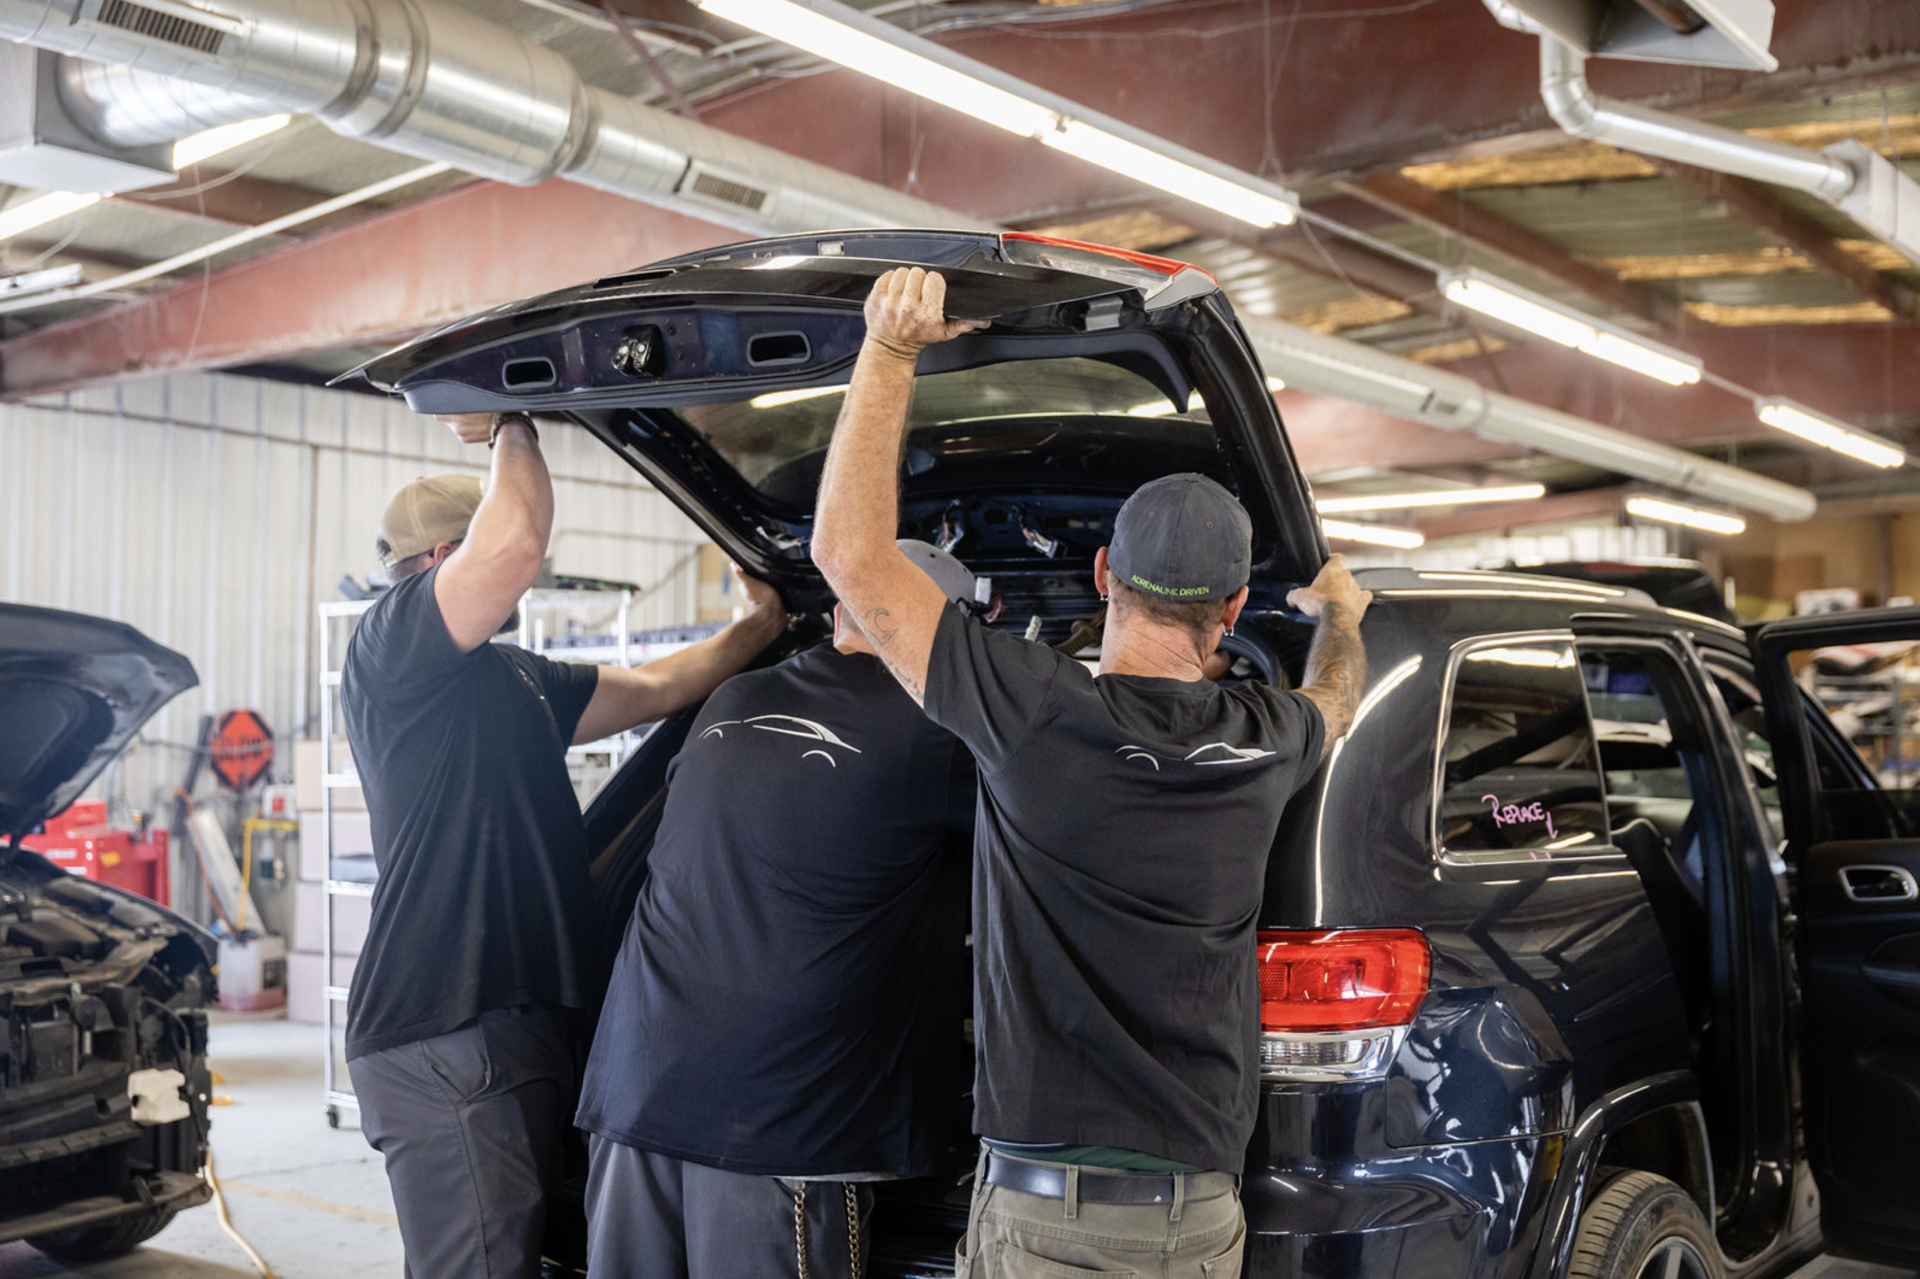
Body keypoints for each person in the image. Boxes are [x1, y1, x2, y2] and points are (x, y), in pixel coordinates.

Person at [808, 268, 1371, 1278]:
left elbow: (847, 554)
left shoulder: (1033, 709)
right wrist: (1339, 619)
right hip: (1198, 1220)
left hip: (1050, 1222)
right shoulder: (1268, 738)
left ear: (1106, 575)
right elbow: (1337, 700)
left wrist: (890, 352)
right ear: (1235, 611)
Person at [340, 409, 787, 1279]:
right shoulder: (392, 645)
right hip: (443, 1028)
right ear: (439, 563)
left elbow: (661, 685)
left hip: (517, 1022)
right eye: (479, 555)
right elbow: (512, 545)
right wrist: (515, 421)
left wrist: (765, 626)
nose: (523, 581)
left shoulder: (514, 675)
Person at [574, 539, 980, 1279]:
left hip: (631, 1098)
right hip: (783, 1126)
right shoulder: (940, 730)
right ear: (943, 627)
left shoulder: (733, 698)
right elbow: (1057, 825)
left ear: (836, 609)